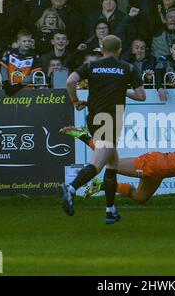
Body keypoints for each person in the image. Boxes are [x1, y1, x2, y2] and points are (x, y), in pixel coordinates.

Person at [60, 35, 146, 224]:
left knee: (112, 164)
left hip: (94, 118)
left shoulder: (91, 66)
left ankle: (110, 210)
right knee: (98, 163)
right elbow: (141, 96)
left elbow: (69, 81)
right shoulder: (128, 68)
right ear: (120, 48)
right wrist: (124, 89)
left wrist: (74, 101)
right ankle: (71, 188)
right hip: (111, 119)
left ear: (102, 49)